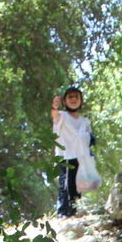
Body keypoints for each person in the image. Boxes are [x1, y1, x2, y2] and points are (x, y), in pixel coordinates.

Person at [51, 86, 94, 217]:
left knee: (77, 184)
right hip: (65, 156)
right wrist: (54, 106)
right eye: (70, 97)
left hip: (80, 157)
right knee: (65, 183)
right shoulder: (62, 116)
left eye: (76, 96)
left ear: (81, 100)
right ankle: (63, 212)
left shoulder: (85, 121)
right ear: (65, 101)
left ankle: (74, 210)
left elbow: (89, 139)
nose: (74, 99)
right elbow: (54, 115)